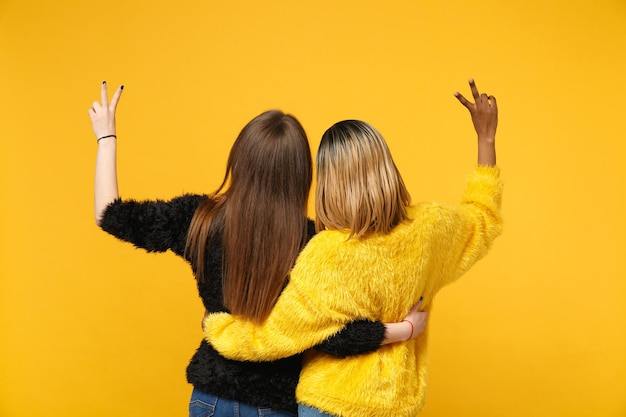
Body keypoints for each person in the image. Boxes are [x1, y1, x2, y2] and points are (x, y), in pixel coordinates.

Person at [88, 81, 428, 417]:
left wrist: (106, 138)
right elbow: (332, 337)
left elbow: (109, 214)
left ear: (239, 159)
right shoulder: (313, 243)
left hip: (209, 398)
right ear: (302, 174)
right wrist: (406, 329)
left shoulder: (199, 218)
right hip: (273, 404)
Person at [203, 79, 503, 417]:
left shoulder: (326, 254)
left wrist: (218, 328)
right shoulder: (430, 229)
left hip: (327, 404)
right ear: (386, 167)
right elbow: (483, 219)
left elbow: (275, 336)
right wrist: (486, 139)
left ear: (329, 183)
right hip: (395, 406)